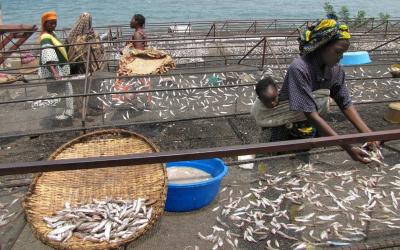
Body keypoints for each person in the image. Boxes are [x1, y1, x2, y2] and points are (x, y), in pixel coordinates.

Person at [271, 18, 379, 163]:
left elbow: (345, 102)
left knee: (303, 151)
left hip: (308, 125)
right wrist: (348, 148)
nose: (340, 57)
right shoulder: (299, 68)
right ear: (322, 46)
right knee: (280, 156)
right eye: (338, 52)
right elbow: (311, 115)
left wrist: (368, 134)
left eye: (343, 54)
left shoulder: (335, 70)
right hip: (285, 122)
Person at [38, 11, 74, 124]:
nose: (54, 25)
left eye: (55, 23)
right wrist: (55, 73)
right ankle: (66, 115)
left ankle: (54, 115)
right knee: (66, 90)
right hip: (55, 70)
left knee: (55, 92)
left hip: (59, 68)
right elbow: (48, 56)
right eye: (51, 23)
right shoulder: (45, 37)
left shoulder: (52, 34)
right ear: (45, 24)